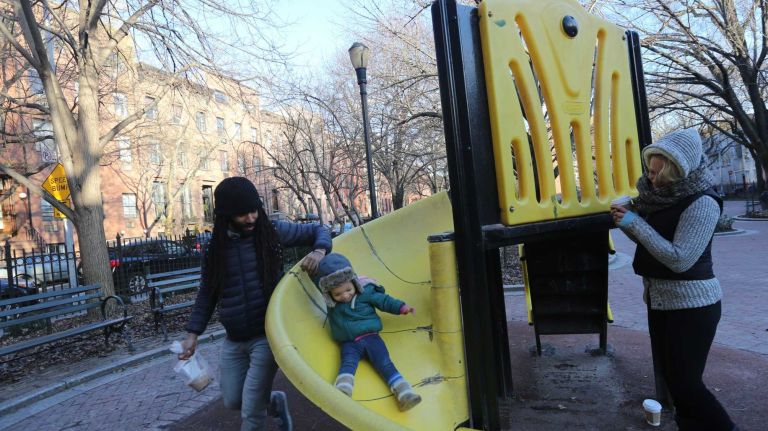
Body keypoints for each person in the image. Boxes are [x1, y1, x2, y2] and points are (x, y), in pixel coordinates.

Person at [177, 177, 332, 431]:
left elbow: (319, 230)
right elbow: (207, 292)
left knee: (251, 412)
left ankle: (261, 406)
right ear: (225, 216)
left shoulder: (271, 232)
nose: (250, 218)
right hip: (234, 338)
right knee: (232, 400)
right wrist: (192, 334)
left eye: (253, 211)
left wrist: (319, 251)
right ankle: (273, 403)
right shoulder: (214, 249)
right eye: (242, 214)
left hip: (267, 335)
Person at [611, 129, 737, 431]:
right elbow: (651, 240)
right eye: (649, 171)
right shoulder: (660, 198)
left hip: (692, 306)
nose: (650, 179)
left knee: (688, 384)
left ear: (677, 172)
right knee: (674, 381)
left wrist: (633, 223)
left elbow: (680, 259)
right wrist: (626, 220)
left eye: (657, 173)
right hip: (661, 301)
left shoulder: (703, 203)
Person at [312, 253, 422, 412]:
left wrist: (402, 307)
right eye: (337, 294)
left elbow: (384, 301)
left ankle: (405, 393)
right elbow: (317, 281)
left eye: (348, 290)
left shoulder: (366, 292)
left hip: (371, 338)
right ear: (329, 294)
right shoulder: (331, 303)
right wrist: (313, 261)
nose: (344, 296)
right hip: (349, 343)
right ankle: (342, 390)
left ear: (354, 282)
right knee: (347, 363)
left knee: (384, 363)